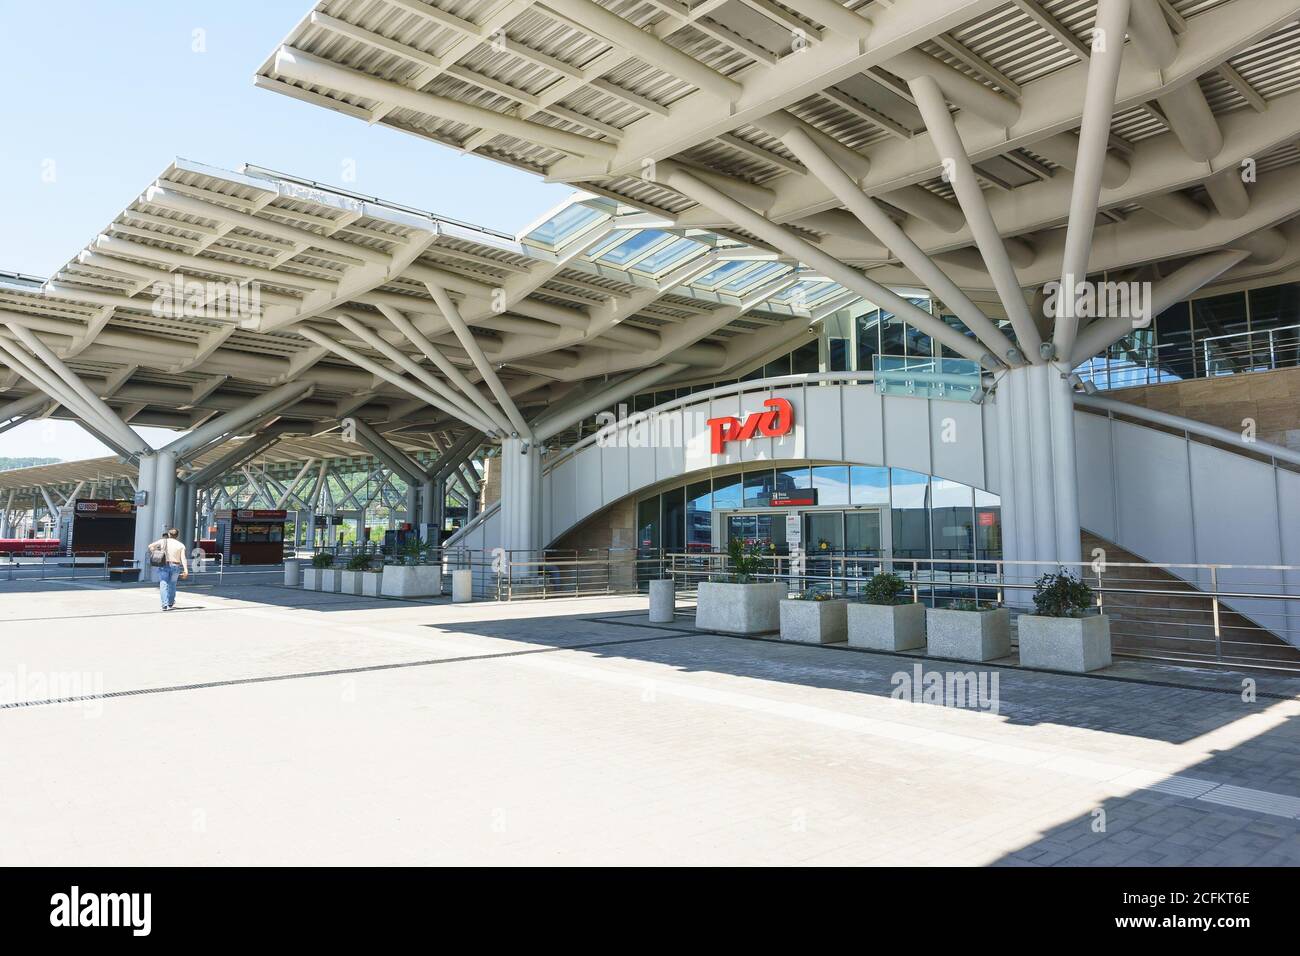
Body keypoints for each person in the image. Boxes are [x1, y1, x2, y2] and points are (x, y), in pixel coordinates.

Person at [148, 528, 189, 611]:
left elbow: (150, 546)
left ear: (169, 534)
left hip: (164, 565)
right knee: (172, 585)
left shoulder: (163, 541)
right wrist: (186, 570)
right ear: (177, 536)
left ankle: (164, 604)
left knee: (163, 584)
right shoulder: (181, 545)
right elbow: (183, 558)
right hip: (176, 566)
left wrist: (155, 551)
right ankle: (170, 603)